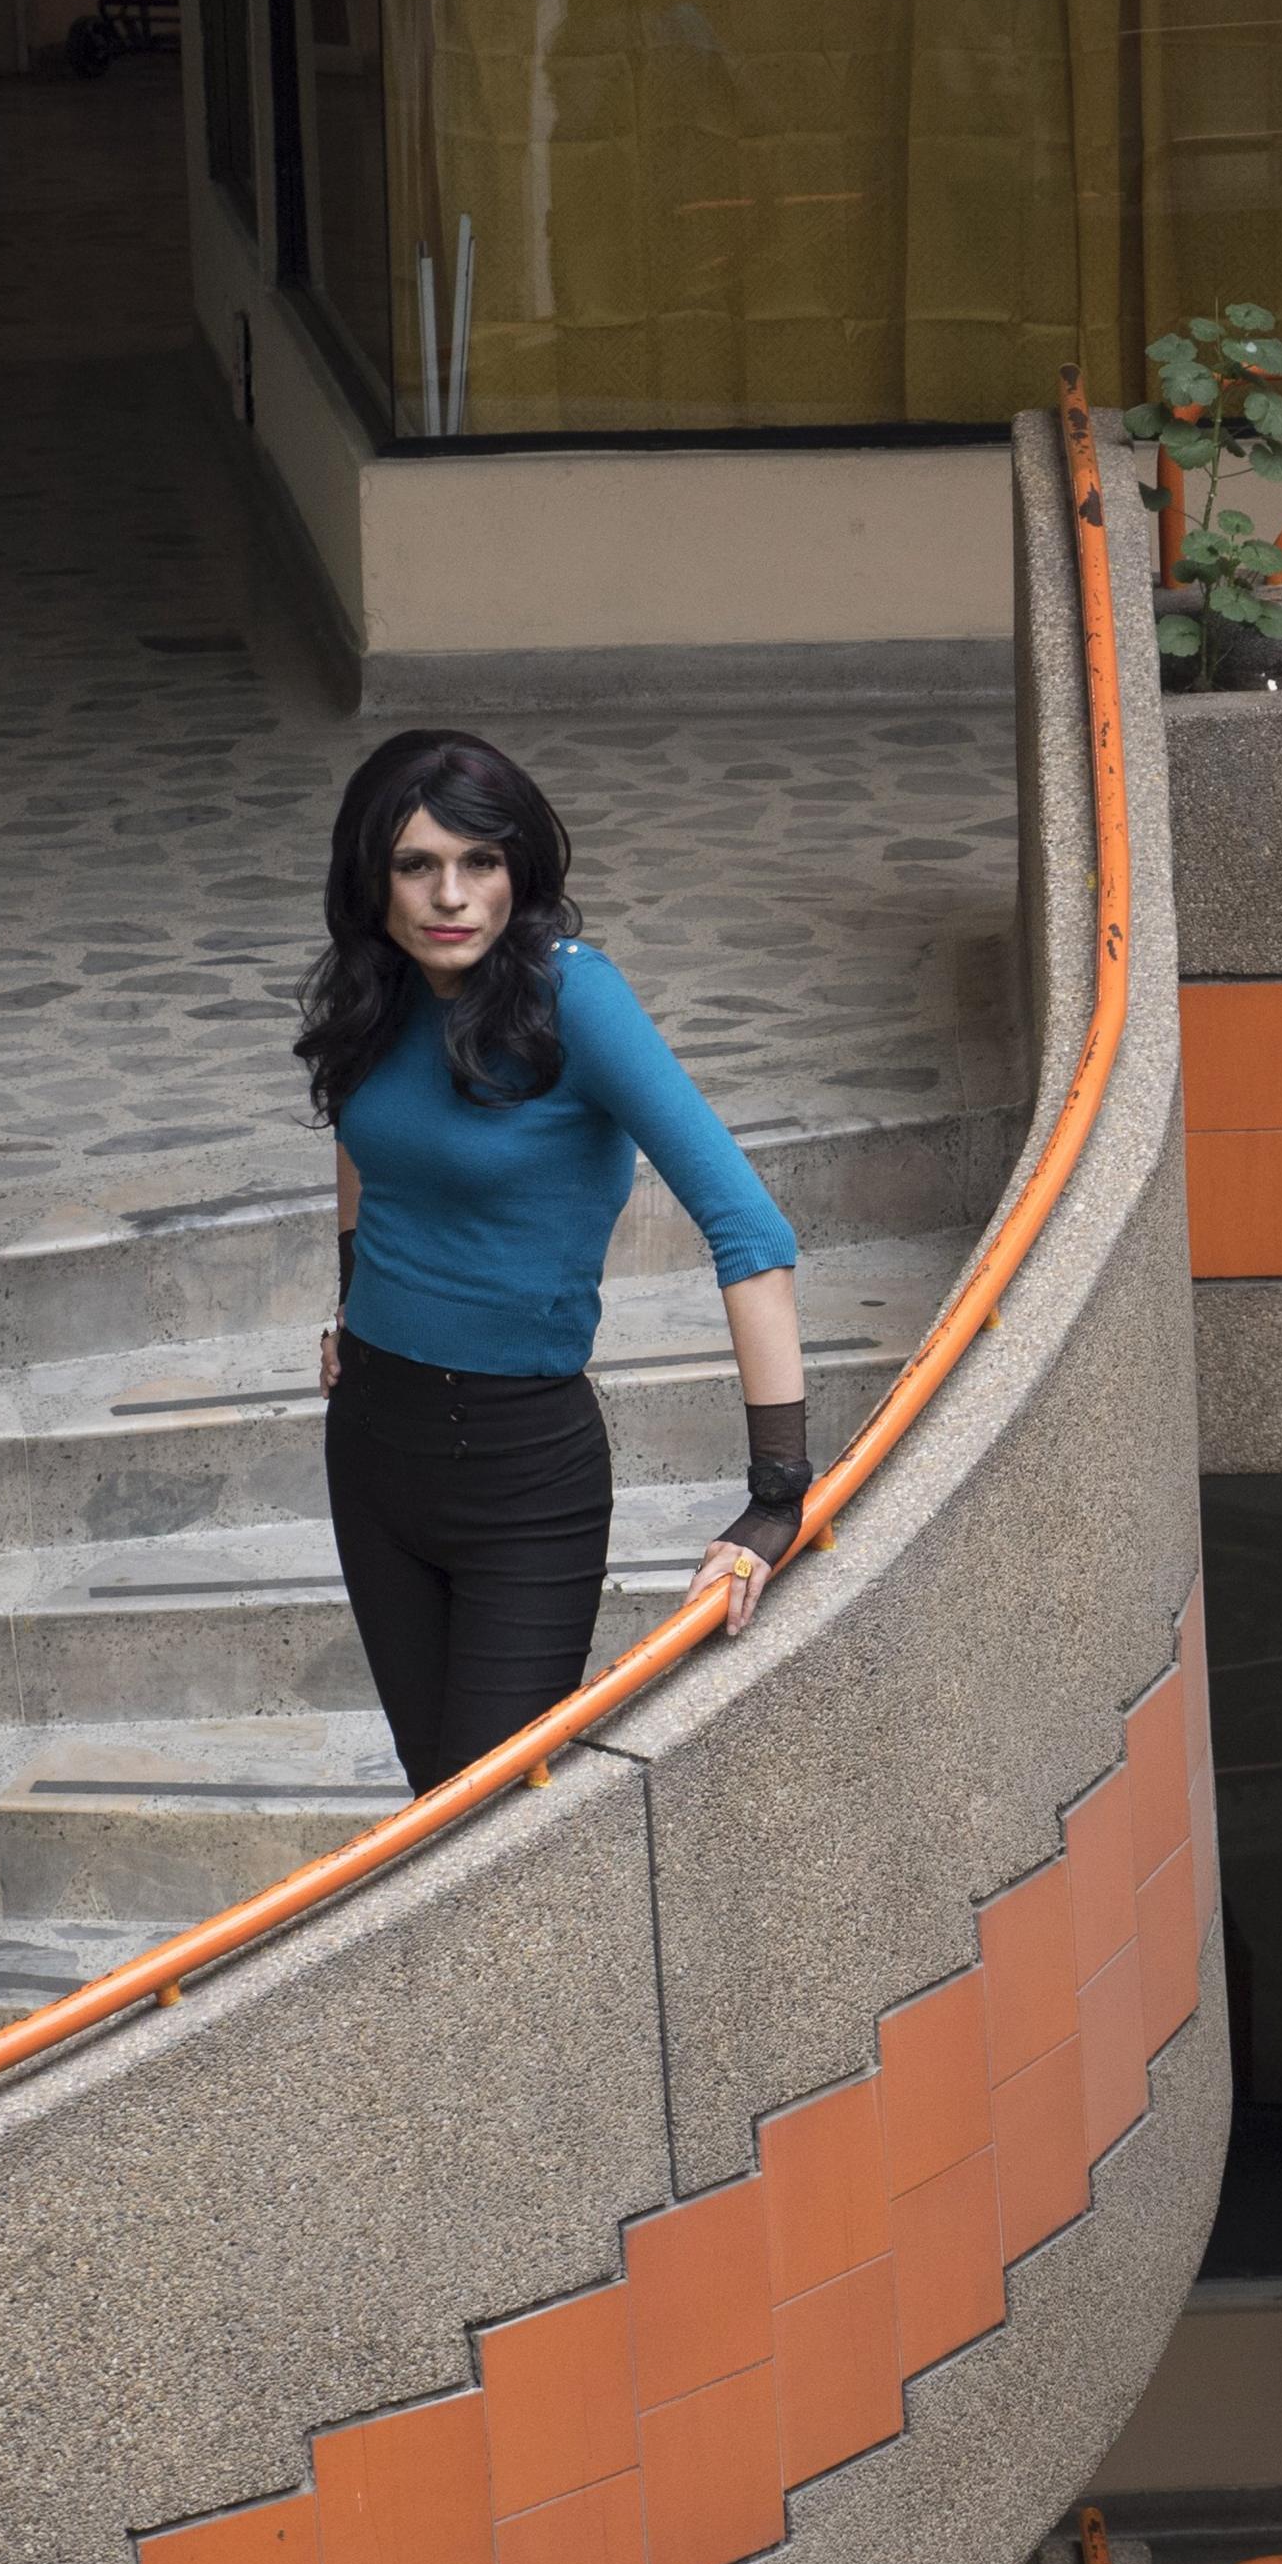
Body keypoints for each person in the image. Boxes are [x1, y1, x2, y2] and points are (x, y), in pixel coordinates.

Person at [296, 730, 812, 1796]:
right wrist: (355, 1298)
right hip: (374, 1447)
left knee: (480, 1824)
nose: (453, 895)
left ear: (519, 867)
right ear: (372, 877)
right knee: (425, 1806)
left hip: (521, 1476)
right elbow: (368, 1142)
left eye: (480, 861)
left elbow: (750, 1230)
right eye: (417, 865)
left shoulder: (570, 997)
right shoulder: (378, 987)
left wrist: (776, 1499)